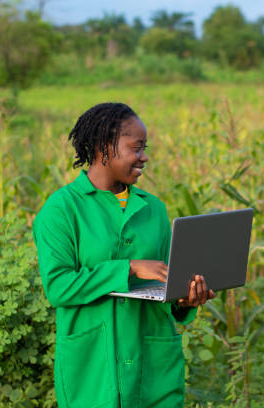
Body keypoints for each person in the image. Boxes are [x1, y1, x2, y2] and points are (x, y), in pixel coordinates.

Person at [32, 102, 216, 408]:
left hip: (153, 366)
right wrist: (129, 267)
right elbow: (58, 286)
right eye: (137, 147)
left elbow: (165, 286)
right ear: (105, 146)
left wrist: (185, 300)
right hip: (92, 369)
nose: (144, 156)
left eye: (145, 147)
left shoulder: (154, 209)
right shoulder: (61, 210)